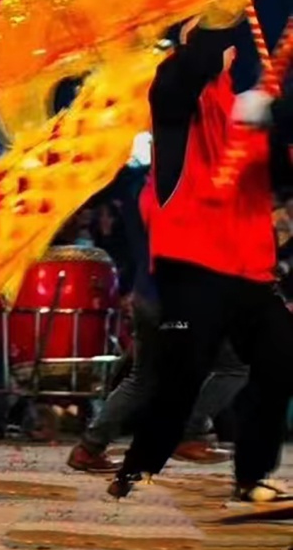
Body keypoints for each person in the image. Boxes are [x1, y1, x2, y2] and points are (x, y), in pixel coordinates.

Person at [109, 21, 293, 504]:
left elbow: (280, 175)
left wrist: (273, 120)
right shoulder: (176, 93)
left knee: (280, 361)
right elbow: (192, 64)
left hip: (251, 270)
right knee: (181, 374)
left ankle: (252, 475)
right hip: (193, 264)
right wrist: (219, 2)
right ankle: (139, 465)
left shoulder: (243, 105)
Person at [67, 152, 243, 474]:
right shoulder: (186, 189)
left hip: (147, 295)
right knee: (235, 364)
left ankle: (89, 449)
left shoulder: (137, 183)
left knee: (143, 378)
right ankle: (188, 433)